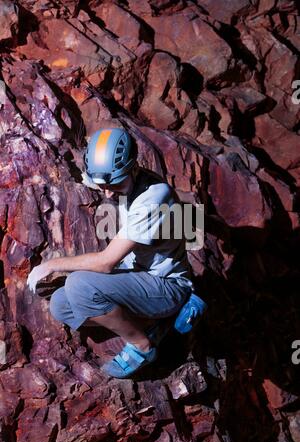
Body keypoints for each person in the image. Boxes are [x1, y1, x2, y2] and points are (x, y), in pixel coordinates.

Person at [27, 128, 207, 378]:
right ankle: (154, 324)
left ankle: (142, 345)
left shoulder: (154, 197)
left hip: (167, 285)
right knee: (61, 304)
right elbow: (94, 178)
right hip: (139, 275)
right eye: (103, 186)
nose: (108, 193)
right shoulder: (118, 179)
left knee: (80, 284)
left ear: (133, 168)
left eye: (114, 184)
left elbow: (106, 263)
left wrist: (52, 265)